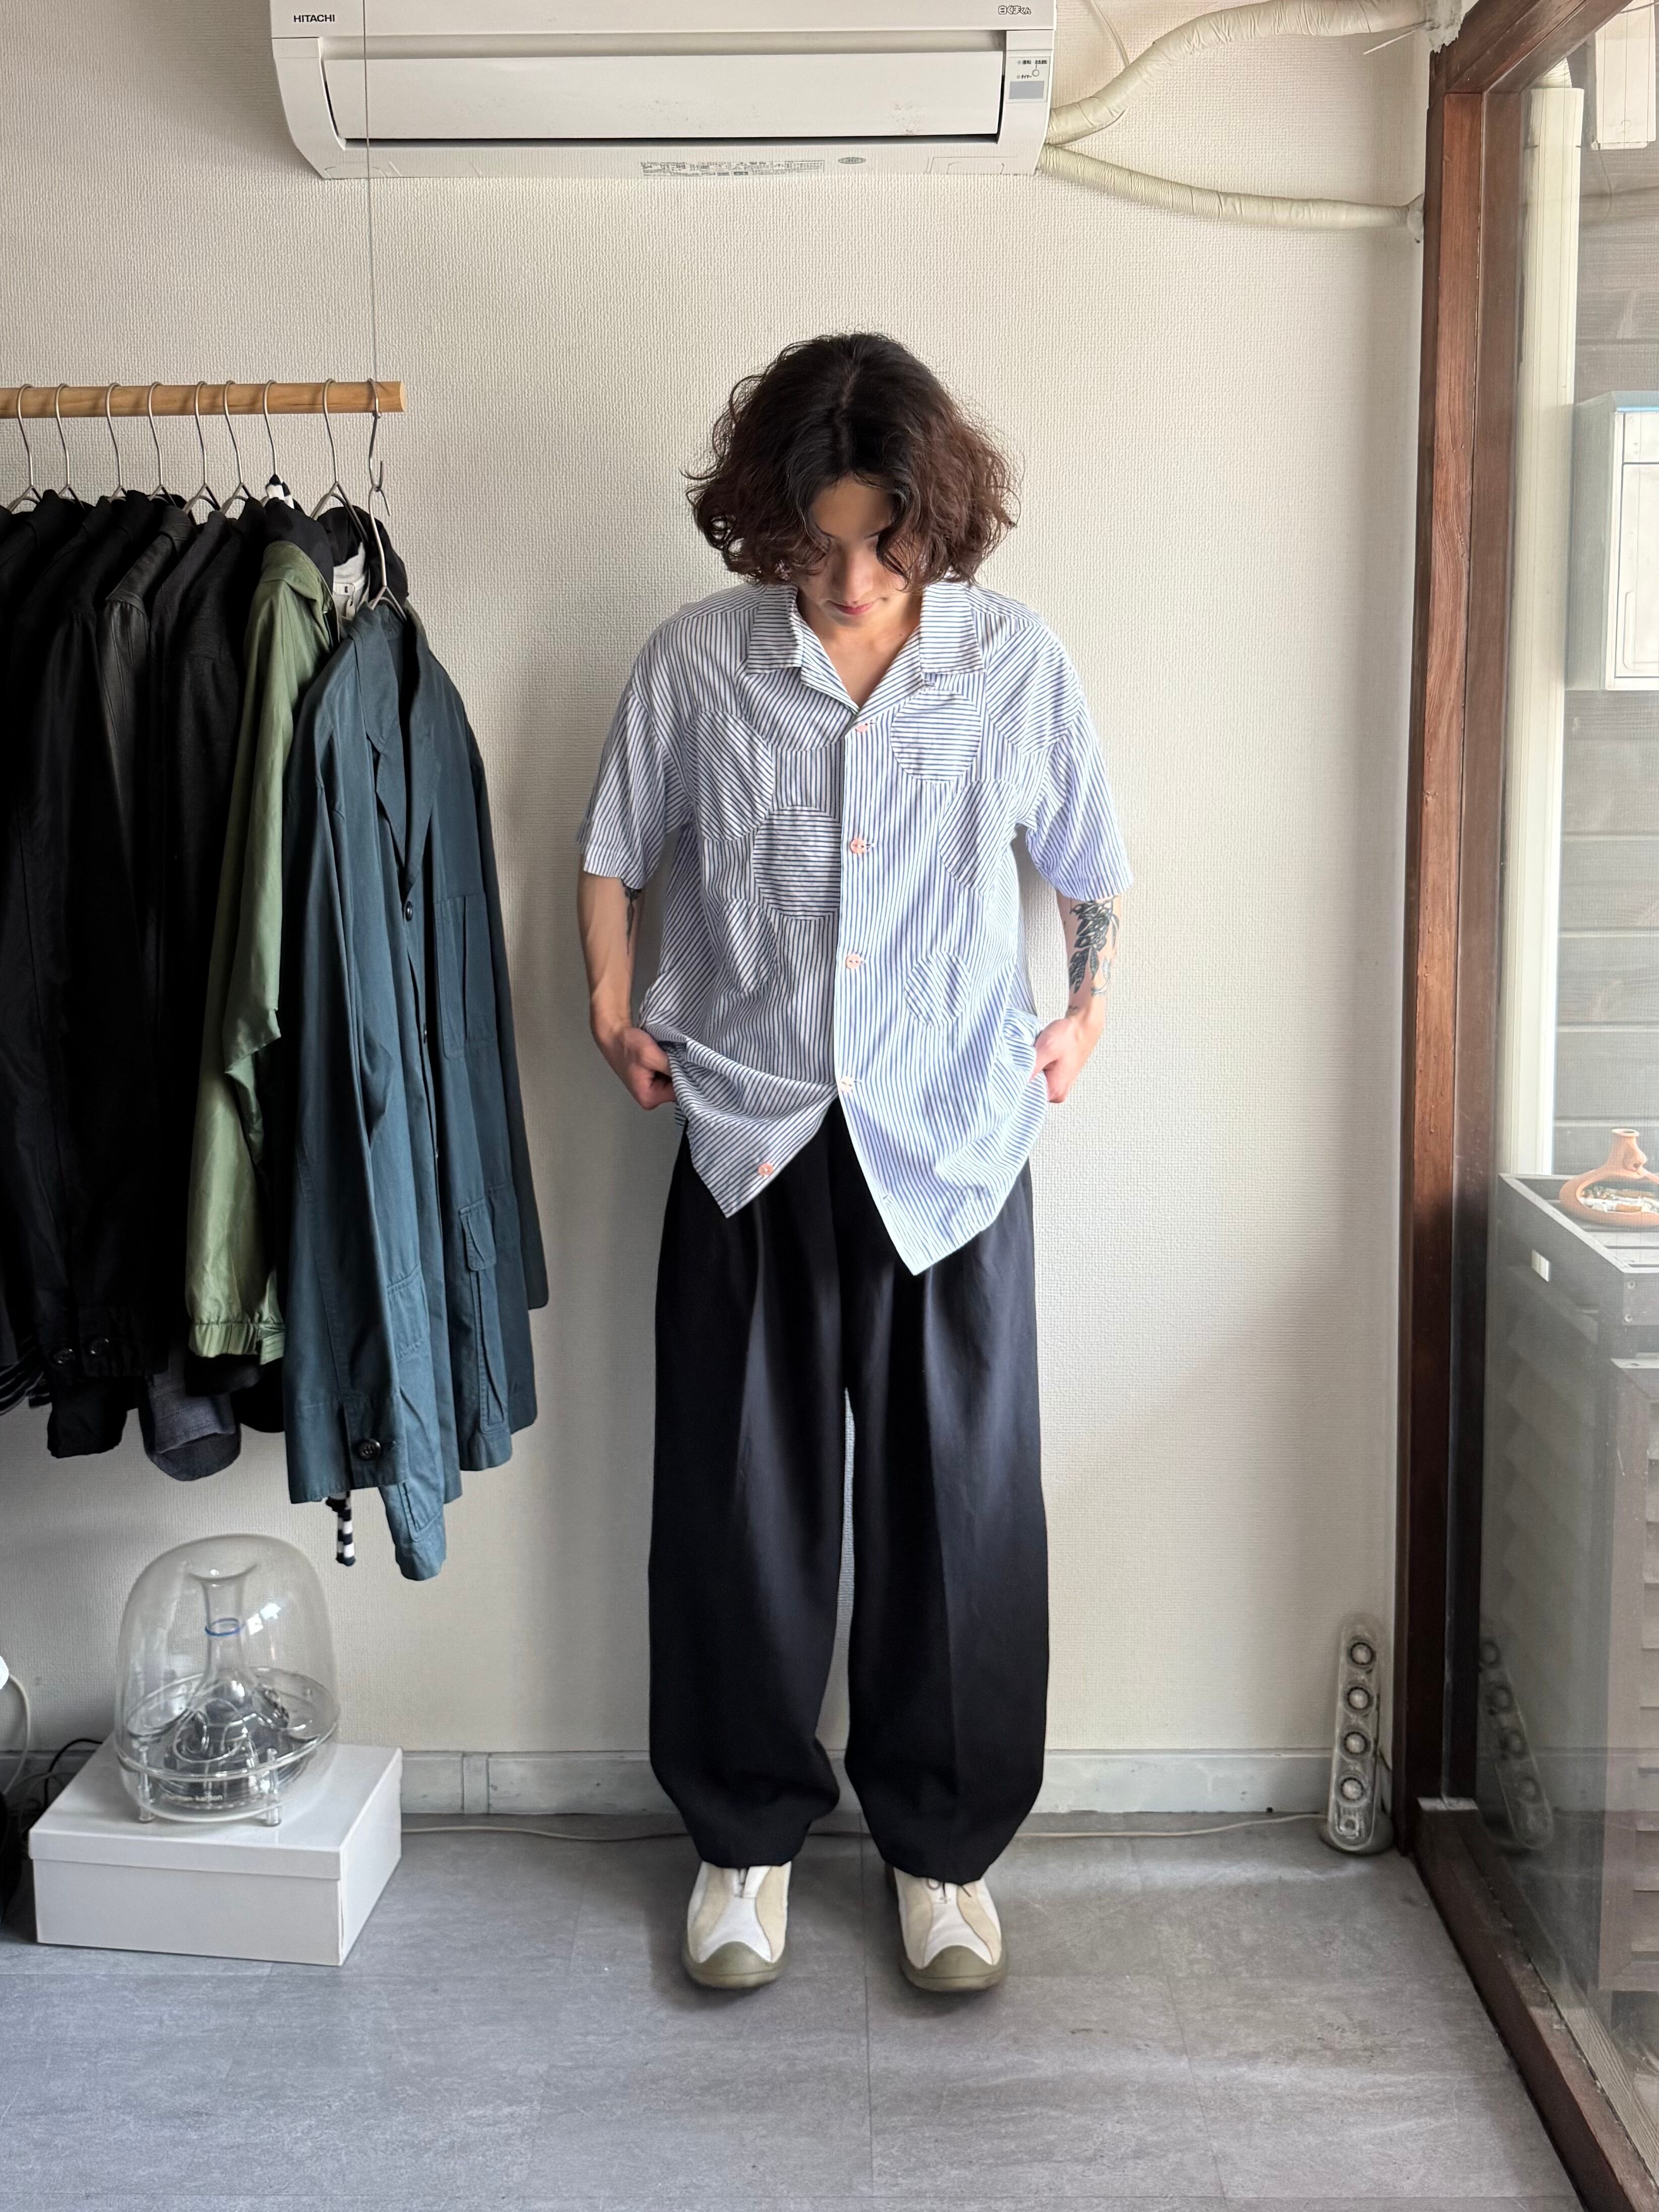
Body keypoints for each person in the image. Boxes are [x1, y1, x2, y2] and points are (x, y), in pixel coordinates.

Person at [577, 332, 1130, 1995]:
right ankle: (742, 1842)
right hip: (752, 1138)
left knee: (958, 1505)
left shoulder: (1014, 666)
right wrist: (608, 1002)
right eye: (814, 546)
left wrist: (1087, 1013)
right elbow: (614, 849)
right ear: (766, 523)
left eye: (882, 544)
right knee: (739, 1507)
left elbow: (1092, 864)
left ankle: (943, 1859)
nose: (848, 580)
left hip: (951, 1146)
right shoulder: (698, 666)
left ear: (934, 519)